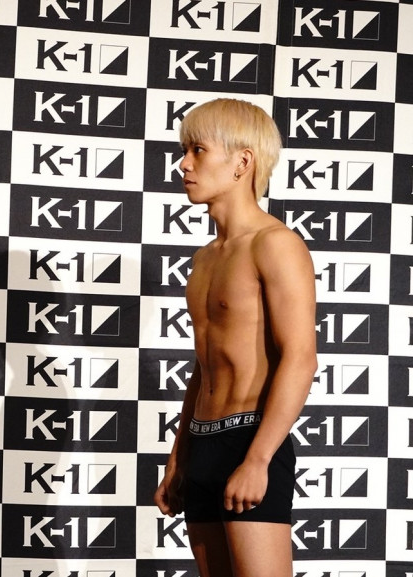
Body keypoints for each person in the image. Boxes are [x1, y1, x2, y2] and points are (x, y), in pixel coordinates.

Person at [153, 98, 318, 577]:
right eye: (185, 151)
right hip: (202, 444)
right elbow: (204, 365)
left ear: (242, 162)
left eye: (198, 150)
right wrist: (179, 457)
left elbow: (300, 358)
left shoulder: (276, 244)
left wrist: (258, 459)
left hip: (249, 440)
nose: (184, 164)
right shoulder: (205, 258)